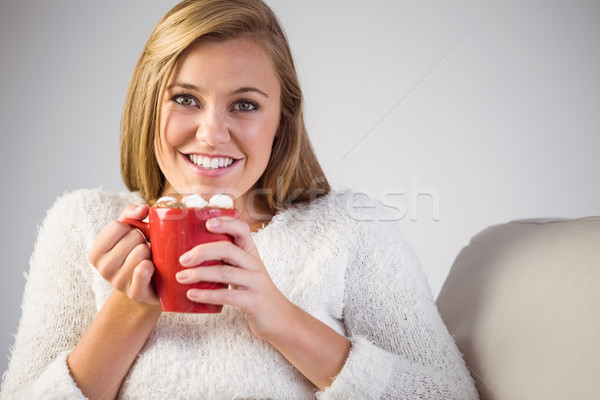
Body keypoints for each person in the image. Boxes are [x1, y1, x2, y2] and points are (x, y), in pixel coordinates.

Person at [0, 0, 478, 399]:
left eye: (244, 105)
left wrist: (283, 320)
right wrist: (130, 309)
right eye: (185, 99)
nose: (211, 134)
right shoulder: (83, 224)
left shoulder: (350, 230)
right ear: (150, 105)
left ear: (281, 121)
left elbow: (447, 394)